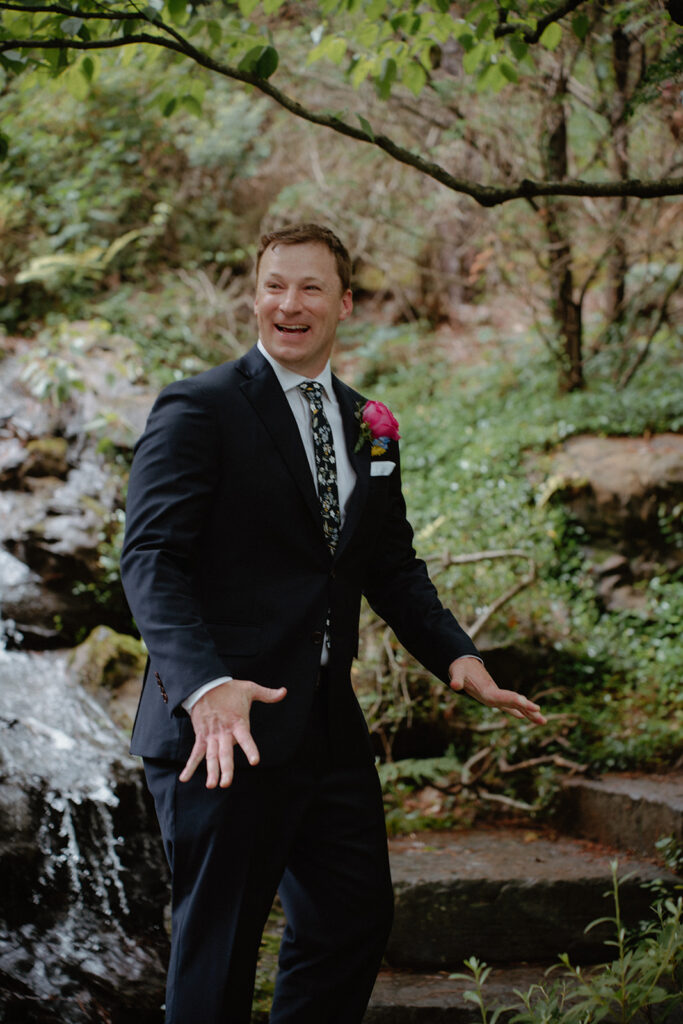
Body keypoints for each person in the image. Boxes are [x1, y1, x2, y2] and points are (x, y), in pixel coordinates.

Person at [120, 222, 546, 1024]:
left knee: (350, 920)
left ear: (344, 303)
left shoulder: (370, 425)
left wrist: (458, 656)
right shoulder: (198, 407)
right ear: (254, 295)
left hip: (325, 725)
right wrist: (205, 686)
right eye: (274, 284)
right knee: (217, 956)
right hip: (221, 731)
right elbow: (149, 559)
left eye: (310, 287)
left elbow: (387, 561)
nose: (289, 302)